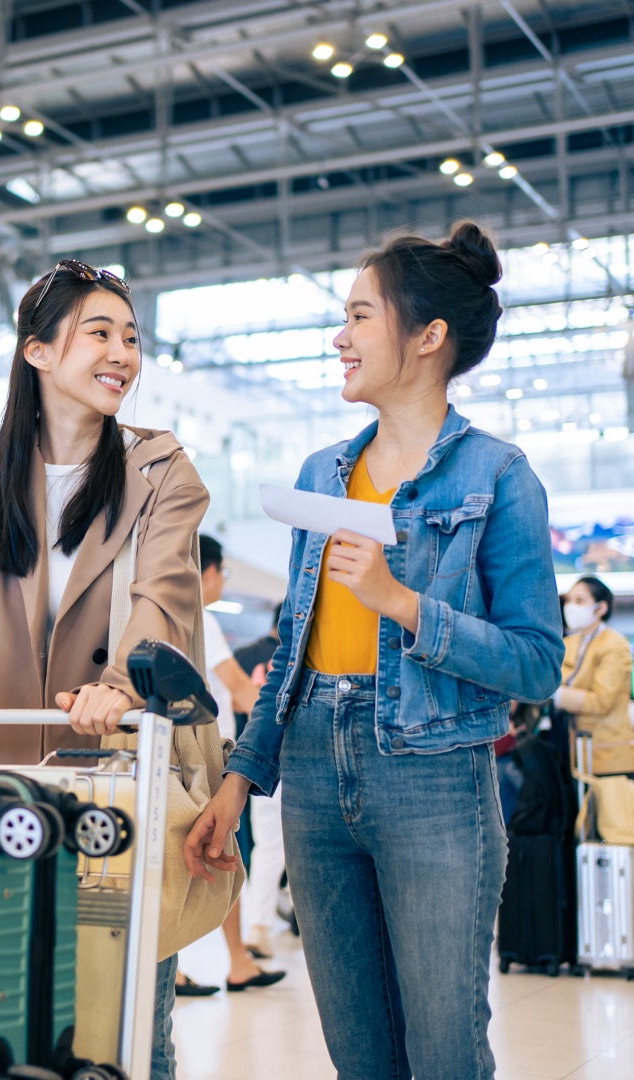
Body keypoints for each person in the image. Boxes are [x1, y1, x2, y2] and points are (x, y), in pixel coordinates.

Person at [183, 221, 564, 1080]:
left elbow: (539, 661)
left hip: (434, 774)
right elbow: (293, 651)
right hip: (313, 772)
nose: (339, 336)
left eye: (359, 316)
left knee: (442, 1049)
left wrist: (402, 605)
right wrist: (240, 781)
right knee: (358, 1052)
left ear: (429, 338)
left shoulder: (498, 477)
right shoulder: (324, 474)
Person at [0, 258, 209, 1080]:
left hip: (124, 773)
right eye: (100, 333)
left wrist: (122, 687)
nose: (122, 355)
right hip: (12, 777)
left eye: (132, 339)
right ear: (37, 353)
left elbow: (160, 595)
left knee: (124, 1023)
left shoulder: (160, 470)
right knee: (6, 1001)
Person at [174, 536, 285, 996]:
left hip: (187, 755)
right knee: (218, 856)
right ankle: (218, 962)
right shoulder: (199, 615)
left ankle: (232, 960)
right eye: (223, 573)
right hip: (201, 756)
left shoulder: (171, 614)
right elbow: (239, 689)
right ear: (207, 571)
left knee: (208, 857)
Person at [232, 605, 287, 960]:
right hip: (291, 760)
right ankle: (268, 922)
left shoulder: (243, 654)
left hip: (250, 759)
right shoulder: (297, 657)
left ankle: (259, 925)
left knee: (267, 847)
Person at [554, 575, 634, 776]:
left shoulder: (615, 644)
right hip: (572, 752)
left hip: (608, 754)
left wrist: (556, 695)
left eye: (580, 601)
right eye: (569, 600)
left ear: (601, 608)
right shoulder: (569, 643)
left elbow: (602, 701)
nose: (571, 607)